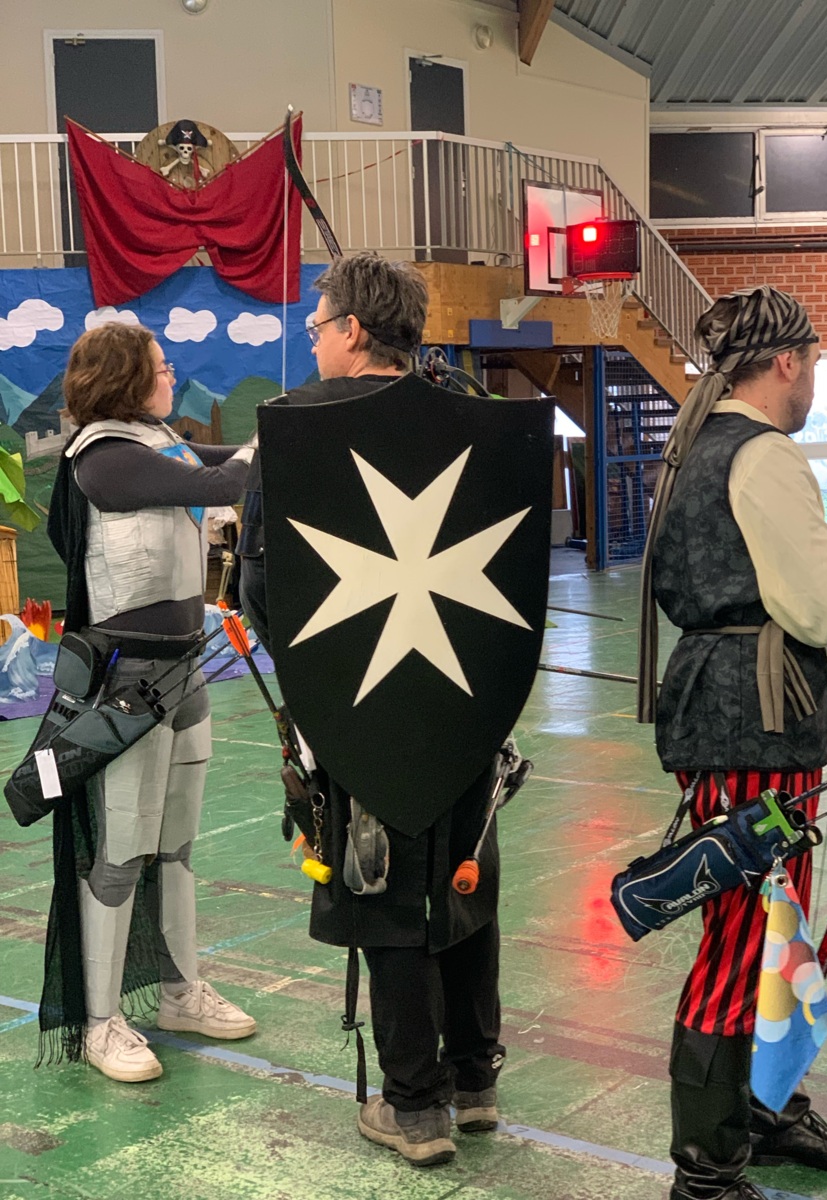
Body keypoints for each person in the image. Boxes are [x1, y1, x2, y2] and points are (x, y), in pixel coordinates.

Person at [239, 252, 506, 1167]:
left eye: (319, 325)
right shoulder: (470, 416)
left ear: (354, 329)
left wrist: (318, 678)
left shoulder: (293, 427)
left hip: (355, 700)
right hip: (467, 695)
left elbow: (260, 585)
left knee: (383, 885)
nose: (312, 340)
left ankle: (414, 1107)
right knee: (464, 875)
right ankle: (475, 1081)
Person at [637, 285, 827, 1200]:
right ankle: (707, 1171)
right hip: (750, 720)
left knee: (772, 928)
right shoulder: (759, 452)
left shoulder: (701, 446)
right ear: (785, 361)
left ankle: (766, 1109)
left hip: (743, 712)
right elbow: (819, 597)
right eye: (815, 364)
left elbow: (776, 595)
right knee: (743, 940)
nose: (815, 382)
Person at [44, 322, 258, 1082]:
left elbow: (217, 465)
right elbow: (221, 484)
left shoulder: (154, 444)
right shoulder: (103, 459)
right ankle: (101, 1022)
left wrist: (278, 436)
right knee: (121, 853)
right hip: (127, 684)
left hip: (185, 673)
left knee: (176, 848)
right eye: (161, 367)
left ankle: (178, 992)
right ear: (126, 378)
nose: (171, 376)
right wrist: (273, 442)